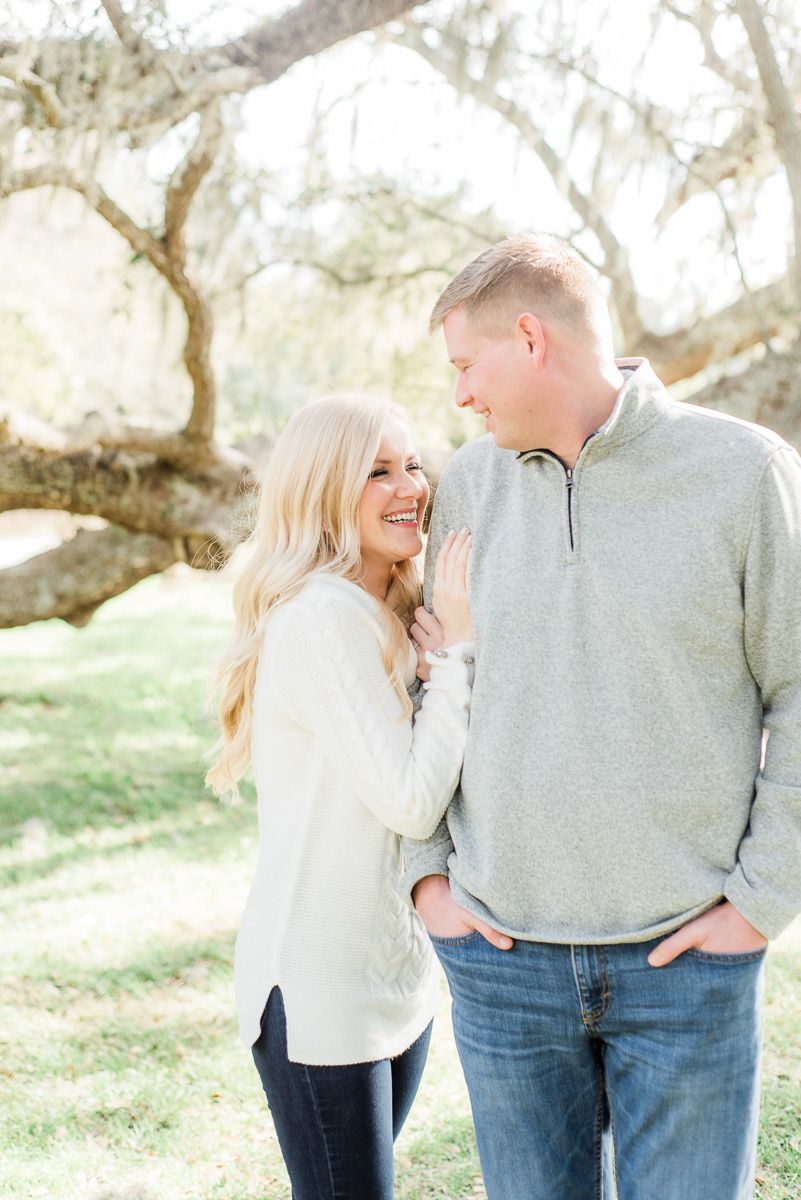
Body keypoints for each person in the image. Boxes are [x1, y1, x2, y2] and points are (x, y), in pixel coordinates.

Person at [403, 234, 801, 1200]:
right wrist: (425, 879)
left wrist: (760, 902)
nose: (460, 395)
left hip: (685, 963)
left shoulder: (742, 473)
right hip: (500, 964)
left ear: (530, 337)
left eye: (466, 365)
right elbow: (422, 682)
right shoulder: (466, 484)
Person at [206, 393, 476, 1200]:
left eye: (413, 464)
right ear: (325, 490)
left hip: (392, 973)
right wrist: (457, 660)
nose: (409, 488)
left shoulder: (387, 608)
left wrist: (440, 660)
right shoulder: (321, 619)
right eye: (377, 472)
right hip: (319, 986)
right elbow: (409, 800)